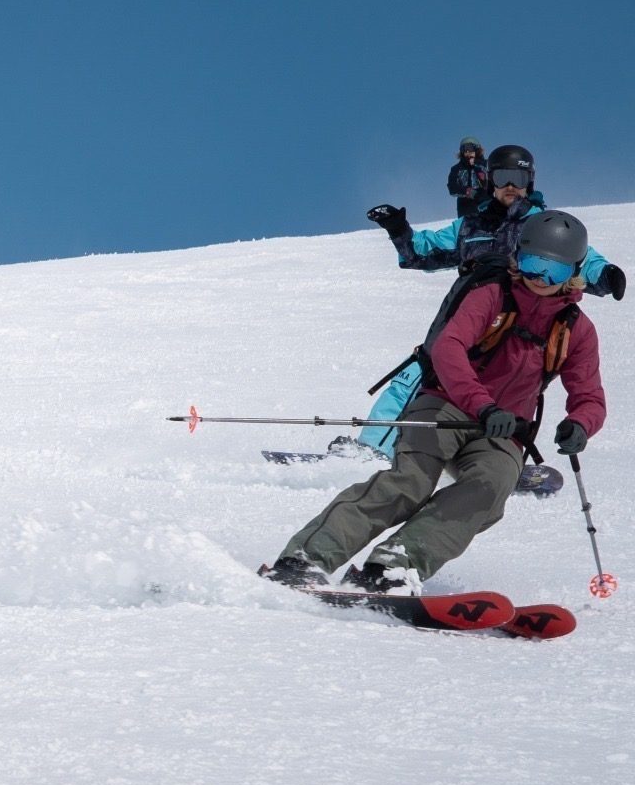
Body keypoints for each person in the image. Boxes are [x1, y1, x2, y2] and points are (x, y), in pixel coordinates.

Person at [264, 210, 606, 594]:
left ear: (574, 273)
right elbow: (448, 348)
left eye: (554, 271)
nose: (540, 278)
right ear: (517, 257)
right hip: (446, 403)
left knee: (489, 490)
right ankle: (305, 558)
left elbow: (589, 396)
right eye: (531, 264)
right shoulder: (491, 295)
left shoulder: (577, 330)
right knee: (410, 482)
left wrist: (580, 425)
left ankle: (393, 566)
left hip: (504, 430)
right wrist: (482, 404)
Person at [346, 145, 621, 460]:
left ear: (530, 181)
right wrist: (400, 231)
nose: (511, 186)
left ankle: (487, 461)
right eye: (503, 177)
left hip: (512, 323)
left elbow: (576, 257)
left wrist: (606, 275)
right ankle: (371, 451)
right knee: (421, 374)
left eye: (518, 178)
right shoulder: (471, 225)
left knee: (502, 386)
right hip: (465, 313)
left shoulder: (542, 226)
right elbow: (424, 252)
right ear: (490, 180)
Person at [447, 137, 489, 219]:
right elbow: (452, 188)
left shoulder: (486, 164)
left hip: (486, 205)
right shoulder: (457, 169)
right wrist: (468, 192)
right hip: (466, 208)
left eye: (470, 149)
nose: (467, 152)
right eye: (464, 150)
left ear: (477, 149)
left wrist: (476, 165)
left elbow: (490, 181)